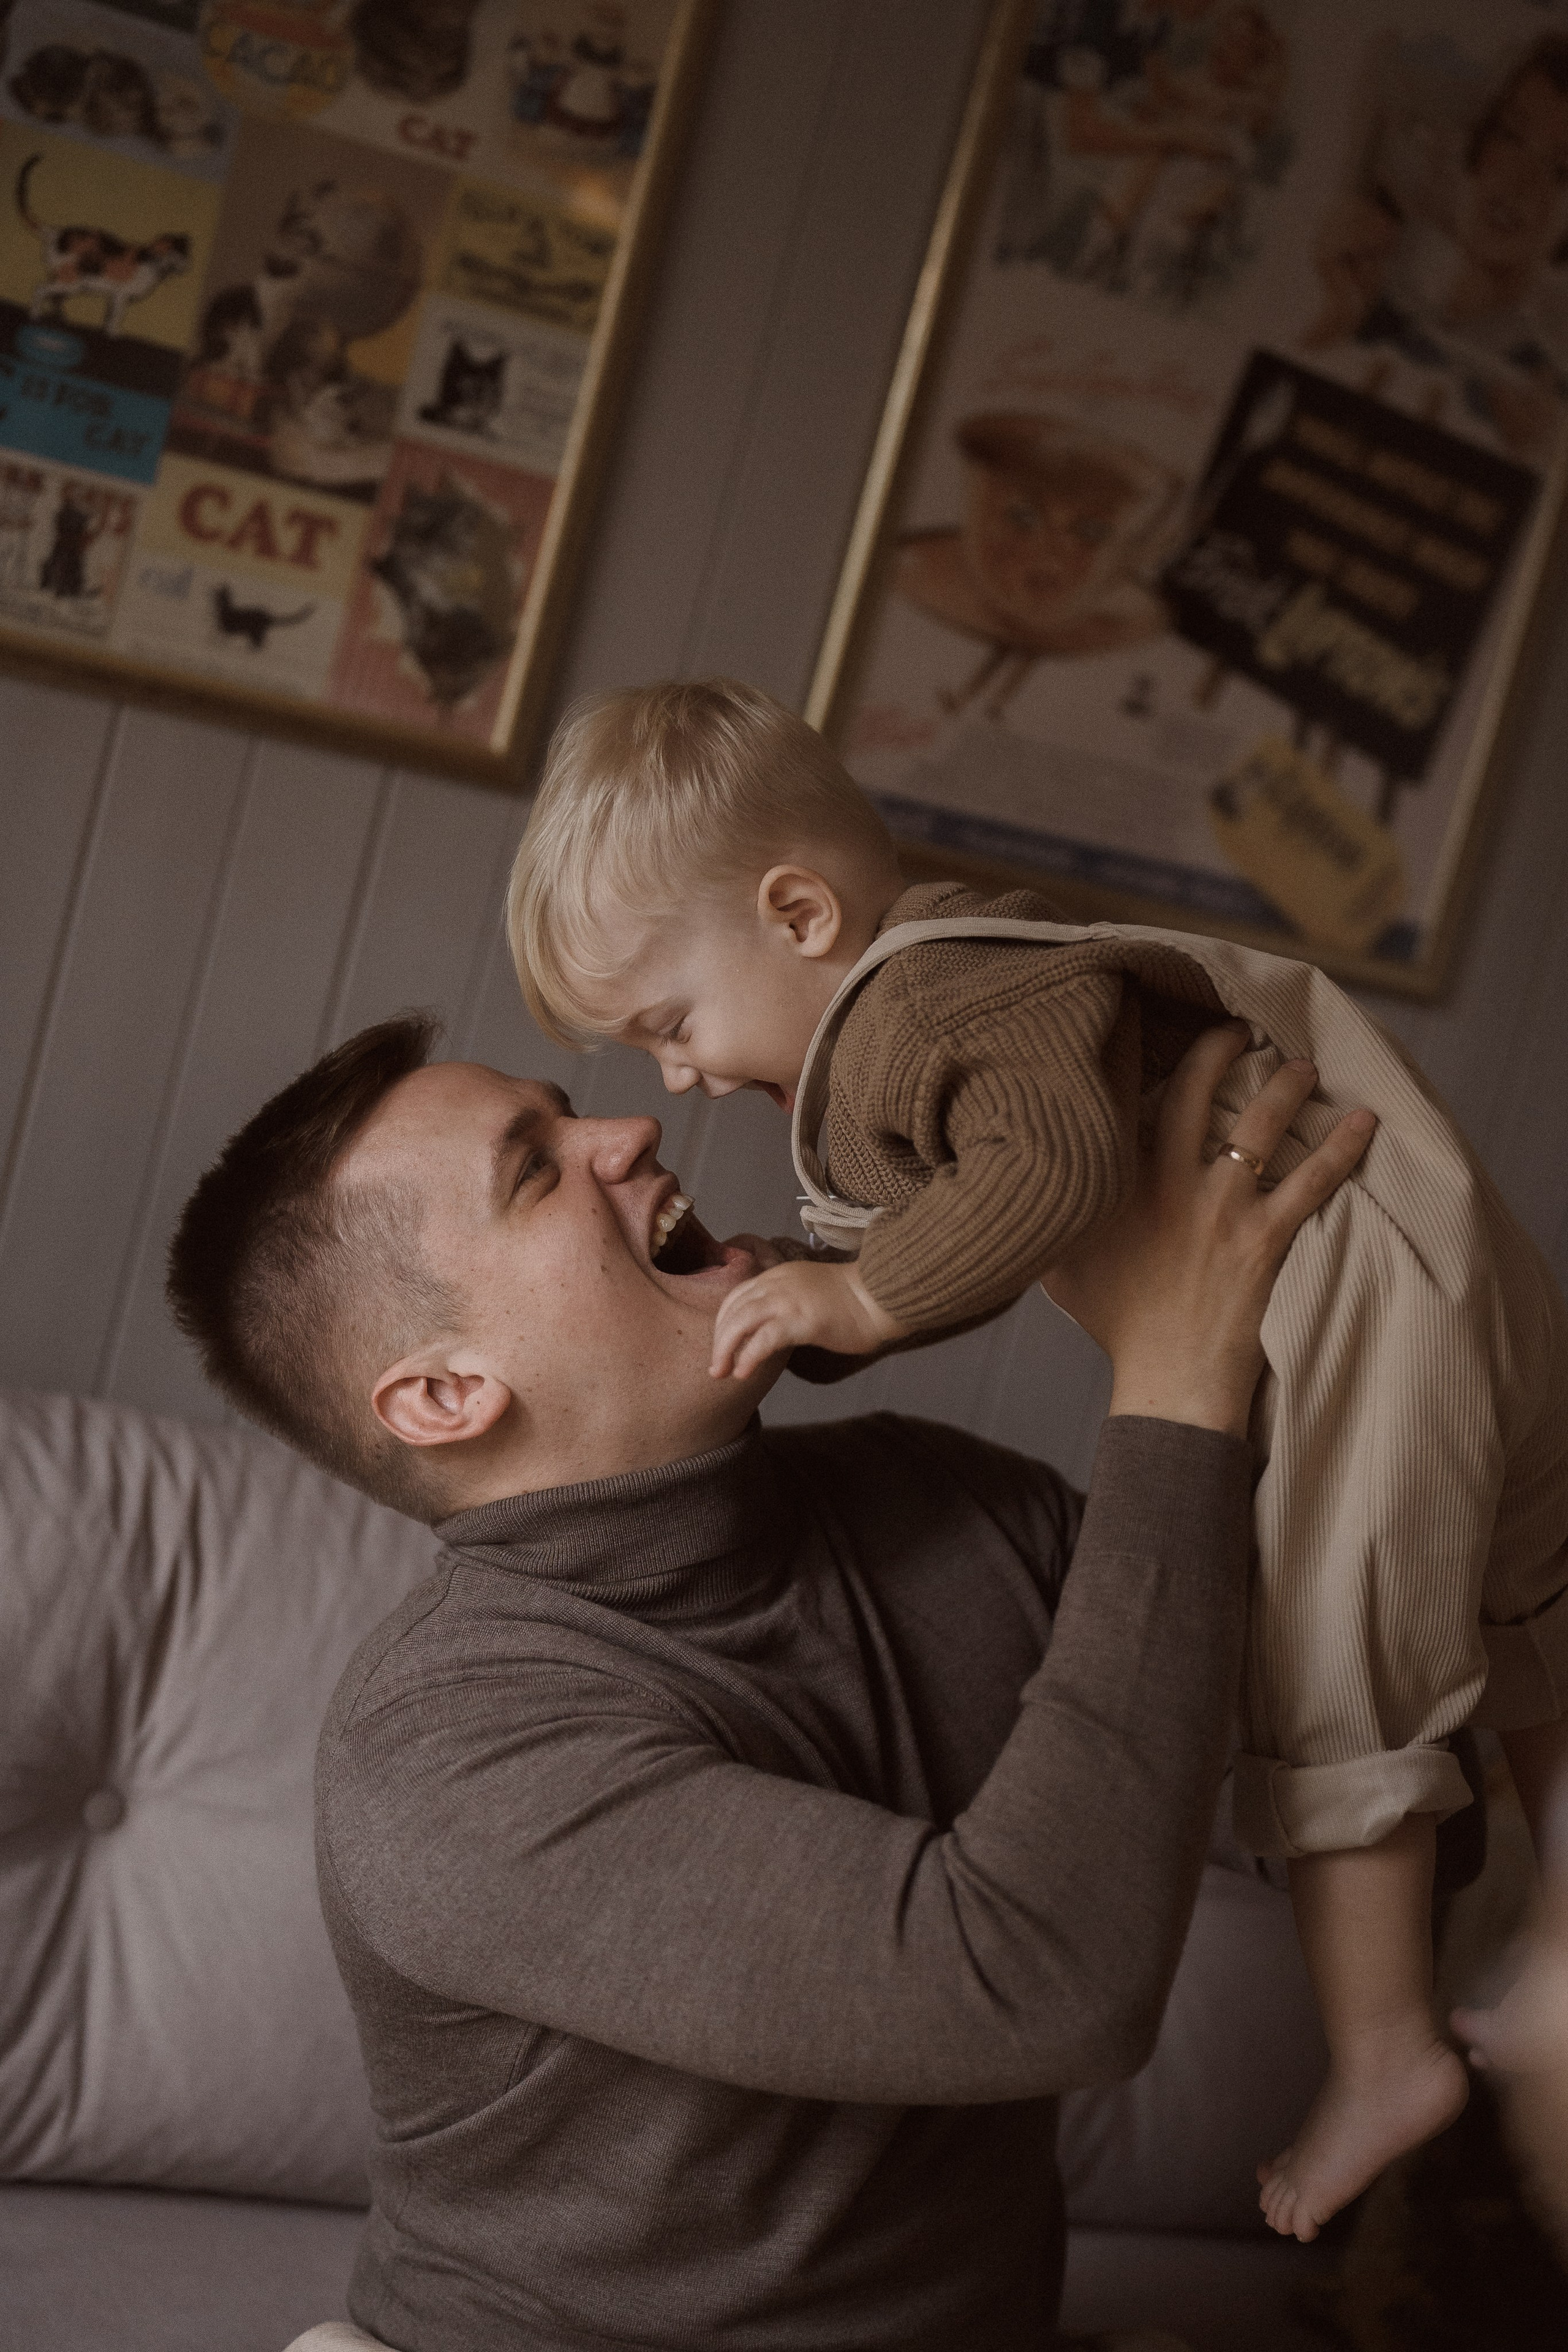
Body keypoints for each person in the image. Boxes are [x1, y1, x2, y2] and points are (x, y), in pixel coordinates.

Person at [507, 676, 1568, 2245]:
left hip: (1347, 1282)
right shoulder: (952, 977)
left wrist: (863, 1296)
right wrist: (824, 1284)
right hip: (1421, 1256)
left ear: (797, 914)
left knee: (1327, 1649)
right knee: (1517, 1588)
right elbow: (994, 1186)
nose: (675, 1078)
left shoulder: (915, 1008)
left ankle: (1383, 2051)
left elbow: (1050, 1171)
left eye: (668, 1024)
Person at [166, 1007, 1369, 2350]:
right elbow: (1038, 1985)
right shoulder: (444, 1754)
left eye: (571, 1108)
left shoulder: (933, 1497)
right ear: (447, 1393)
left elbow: (1312, 1665)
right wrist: (1171, 1380)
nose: (627, 1130)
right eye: (534, 1168)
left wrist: (1204, 1264)